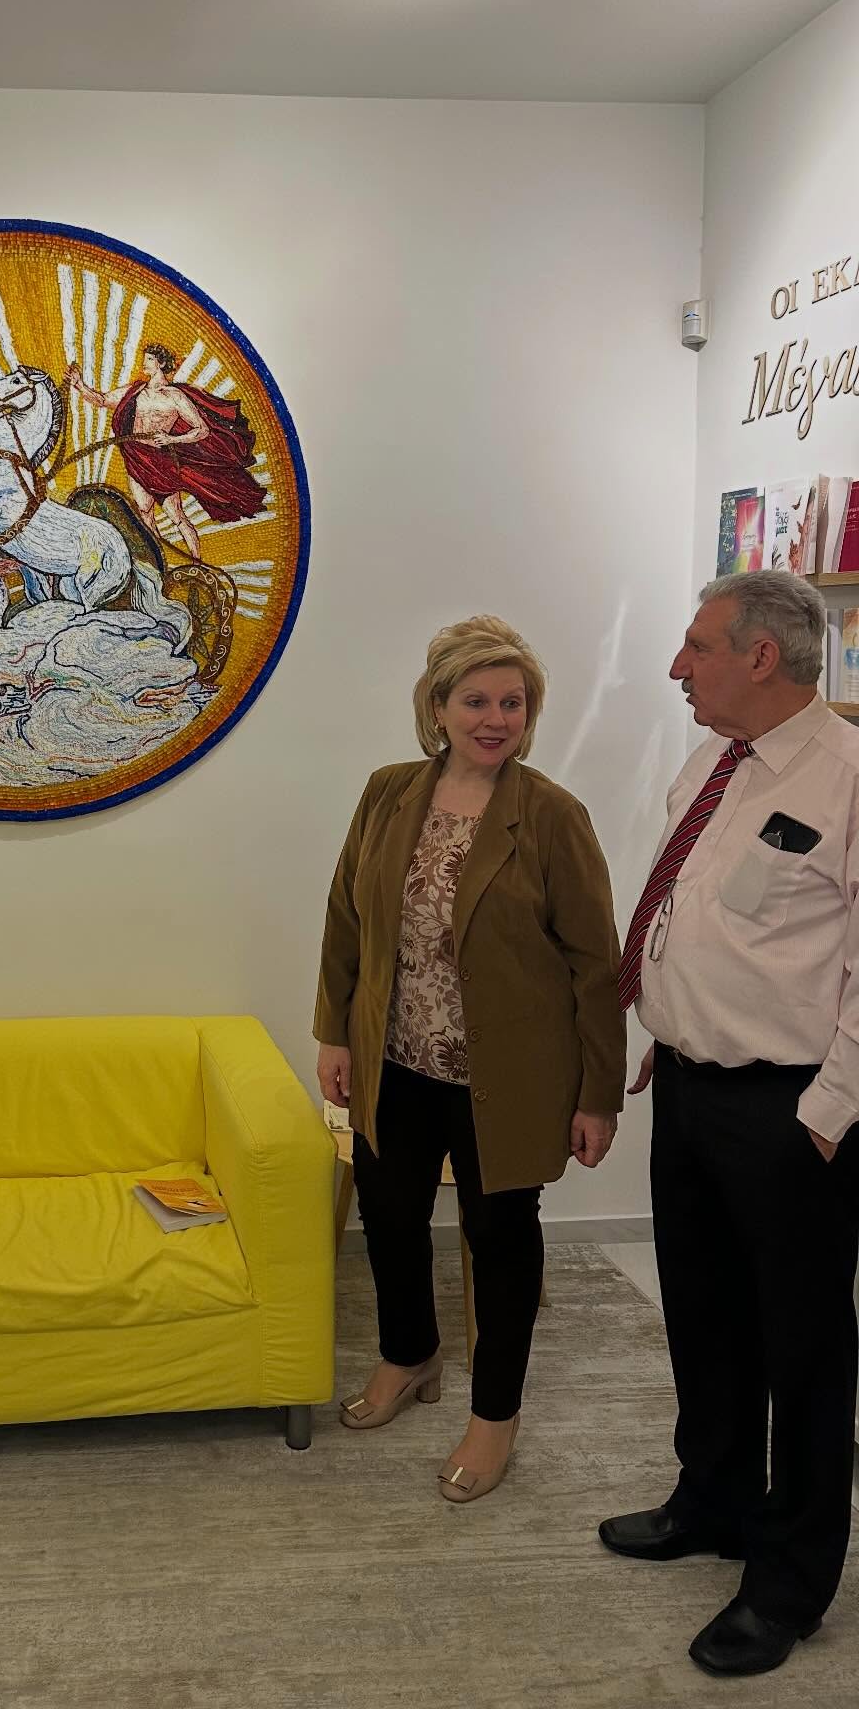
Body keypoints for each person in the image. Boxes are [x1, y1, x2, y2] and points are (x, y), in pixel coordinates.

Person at [598, 570, 859, 1680]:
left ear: (762, 655)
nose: (677, 666)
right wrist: (672, 1026)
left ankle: (790, 1580)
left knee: (803, 1349)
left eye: (697, 646)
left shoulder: (849, 778)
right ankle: (712, 1500)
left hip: (792, 1110)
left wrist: (827, 1113)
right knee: (703, 1315)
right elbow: (696, 917)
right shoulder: (713, 763)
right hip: (691, 1087)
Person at [314, 616, 625, 1503]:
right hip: (396, 1058)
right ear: (438, 707)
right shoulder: (388, 792)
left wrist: (598, 1094)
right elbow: (347, 916)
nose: (496, 719)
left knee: (500, 1241)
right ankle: (409, 1356)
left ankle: (495, 1416)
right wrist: (334, 1030)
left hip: (508, 1077)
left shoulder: (553, 815)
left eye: (513, 703)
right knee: (391, 1217)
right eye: (477, 701)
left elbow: (596, 965)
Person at [66, 343, 265, 558]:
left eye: (150, 359)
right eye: (145, 358)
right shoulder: (135, 391)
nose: (145, 363)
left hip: (160, 461)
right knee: (144, 513)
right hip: (136, 457)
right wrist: (80, 385)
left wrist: (173, 438)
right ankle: (159, 564)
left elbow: (202, 429)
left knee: (176, 516)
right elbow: (102, 400)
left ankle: (197, 564)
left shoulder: (174, 396)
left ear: (161, 363)